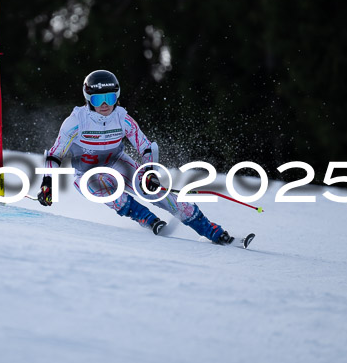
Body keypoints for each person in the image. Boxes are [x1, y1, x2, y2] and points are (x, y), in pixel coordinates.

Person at [36, 69, 234, 244]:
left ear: (117, 97)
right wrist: (47, 183)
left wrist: (149, 172)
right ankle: (148, 219)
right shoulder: (75, 122)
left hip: (119, 163)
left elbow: (145, 147)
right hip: (86, 172)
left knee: (158, 194)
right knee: (111, 194)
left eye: (110, 98)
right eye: (98, 99)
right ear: (88, 100)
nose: (105, 105)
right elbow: (55, 155)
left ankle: (212, 231)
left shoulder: (122, 118)